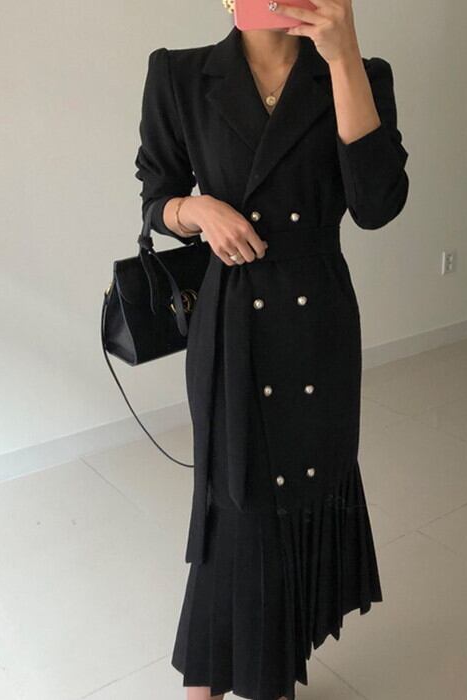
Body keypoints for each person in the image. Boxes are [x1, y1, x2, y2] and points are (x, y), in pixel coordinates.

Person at [134, 1, 409, 698]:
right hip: (232, 324)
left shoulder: (360, 73)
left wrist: (344, 57)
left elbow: (376, 204)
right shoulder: (179, 75)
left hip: (318, 325)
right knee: (237, 505)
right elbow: (156, 197)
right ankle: (232, 682)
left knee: (299, 498)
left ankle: (260, 674)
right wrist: (196, 210)